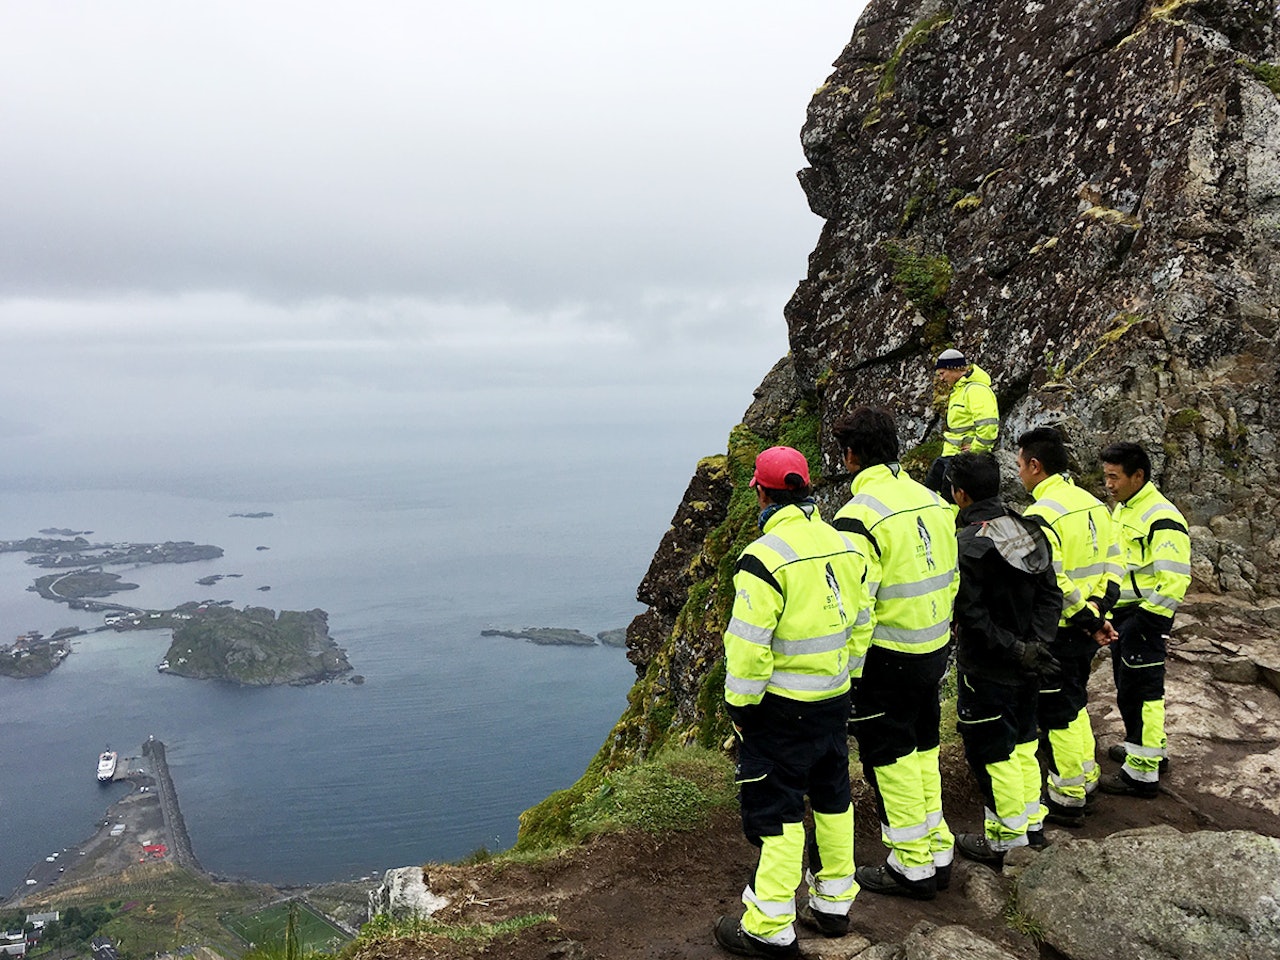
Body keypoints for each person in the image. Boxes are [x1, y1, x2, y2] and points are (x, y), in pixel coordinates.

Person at [714, 446, 869, 959]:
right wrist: (845, 675)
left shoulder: (764, 557)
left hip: (781, 709)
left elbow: (748, 645)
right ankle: (833, 904)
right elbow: (862, 620)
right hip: (834, 698)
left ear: (761, 492)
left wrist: (742, 710)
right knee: (832, 798)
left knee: (776, 813)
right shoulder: (845, 543)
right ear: (806, 491)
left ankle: (769, 926)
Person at [832, 407, 958, 901]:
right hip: (933, 646)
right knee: (924, 744)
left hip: (887, 656)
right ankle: (937, 849)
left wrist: (850, 673)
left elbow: (856, 606)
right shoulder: (930, 499)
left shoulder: (858, 516)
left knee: (890, 756)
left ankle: (911, 866)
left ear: (851, 455)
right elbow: (950, 574)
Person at [947, 452, 1062, 866]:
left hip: (989, 665)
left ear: (959, 495)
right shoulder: (1031, 529)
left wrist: (1013, 647)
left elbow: (971, 616)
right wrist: (1037, 644)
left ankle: (1008, 842)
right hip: (1032, 663)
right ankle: (1031, 826)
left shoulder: (965, 545)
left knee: (992, 752)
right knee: (1026, 742)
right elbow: (1051, 593)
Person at [1016, 427, 1121, 826]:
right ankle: (1087, 777)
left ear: (1036, 466)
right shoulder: (1094, 504)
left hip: (1059, 629)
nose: (1020, 472)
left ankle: (1068, 795)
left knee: (1058, 710)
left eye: (1021, 464)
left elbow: (1051, 581)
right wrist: (1099, 609)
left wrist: (1085, 615)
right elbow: (1115, 561)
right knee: (1075, 702)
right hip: (1087, 625)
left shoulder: (1041, 515)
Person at [1098, 441, 1191, 799]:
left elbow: (1175, 580)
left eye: (1114, 477)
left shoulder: (1161, 517)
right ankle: (1150, 748)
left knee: (1142, 691)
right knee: (1129, 686)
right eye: (1106, 476)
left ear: (1138, 476)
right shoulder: (1127, 508)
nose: (1109, 485)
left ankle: (1141, 774)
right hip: (1126, 614)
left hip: (1144, 617)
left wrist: (1144, 621)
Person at [923, 348, 1000, 501]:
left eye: (942, 373)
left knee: (948, 498)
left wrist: (976, 450)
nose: (941, 379)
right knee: (929, 492)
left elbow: (988, 425)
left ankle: (951, 524)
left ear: (954, 369)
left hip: (963, 458)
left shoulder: (975, 390)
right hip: (950, 454)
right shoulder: (959, 390)